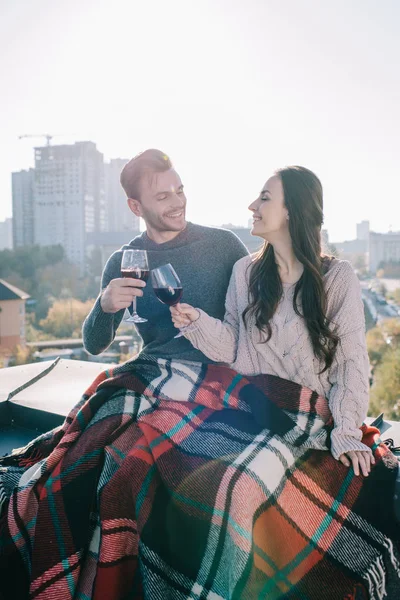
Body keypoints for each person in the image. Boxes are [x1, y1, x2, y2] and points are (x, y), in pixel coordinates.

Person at [170, 165, 374, 474]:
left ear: (292, 210)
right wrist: (196, 322)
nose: (252, 206)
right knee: (182, 462)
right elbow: (232, 347)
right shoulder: (245, 272)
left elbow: (351, 366)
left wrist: (346, 435)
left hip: (308, 417)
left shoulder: (337, 277)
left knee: (243, 481)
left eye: (265, 198)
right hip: (249, 408)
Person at [82, 149, 249, 360]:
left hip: (221, 371)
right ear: (135, 207)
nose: (178, 203)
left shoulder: (224, 245)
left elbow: (259, 320)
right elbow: (94, 346)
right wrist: (103, 307)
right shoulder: (123, 262)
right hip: (155, 371)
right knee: (102, 395)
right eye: (163, 197)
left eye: (179, 191)